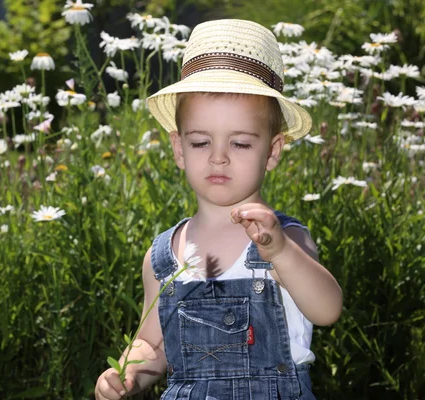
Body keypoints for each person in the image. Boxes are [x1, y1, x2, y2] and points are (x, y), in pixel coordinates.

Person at [95, 18, 343, 400]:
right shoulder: (163, 256)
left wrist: (279, 253)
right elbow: (154, 347)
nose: (219, 158)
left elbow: (327, 309)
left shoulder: (285, 239)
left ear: (272, 151)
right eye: (200, 143)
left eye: (241, 144)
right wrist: (127, 372)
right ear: (179, 149)